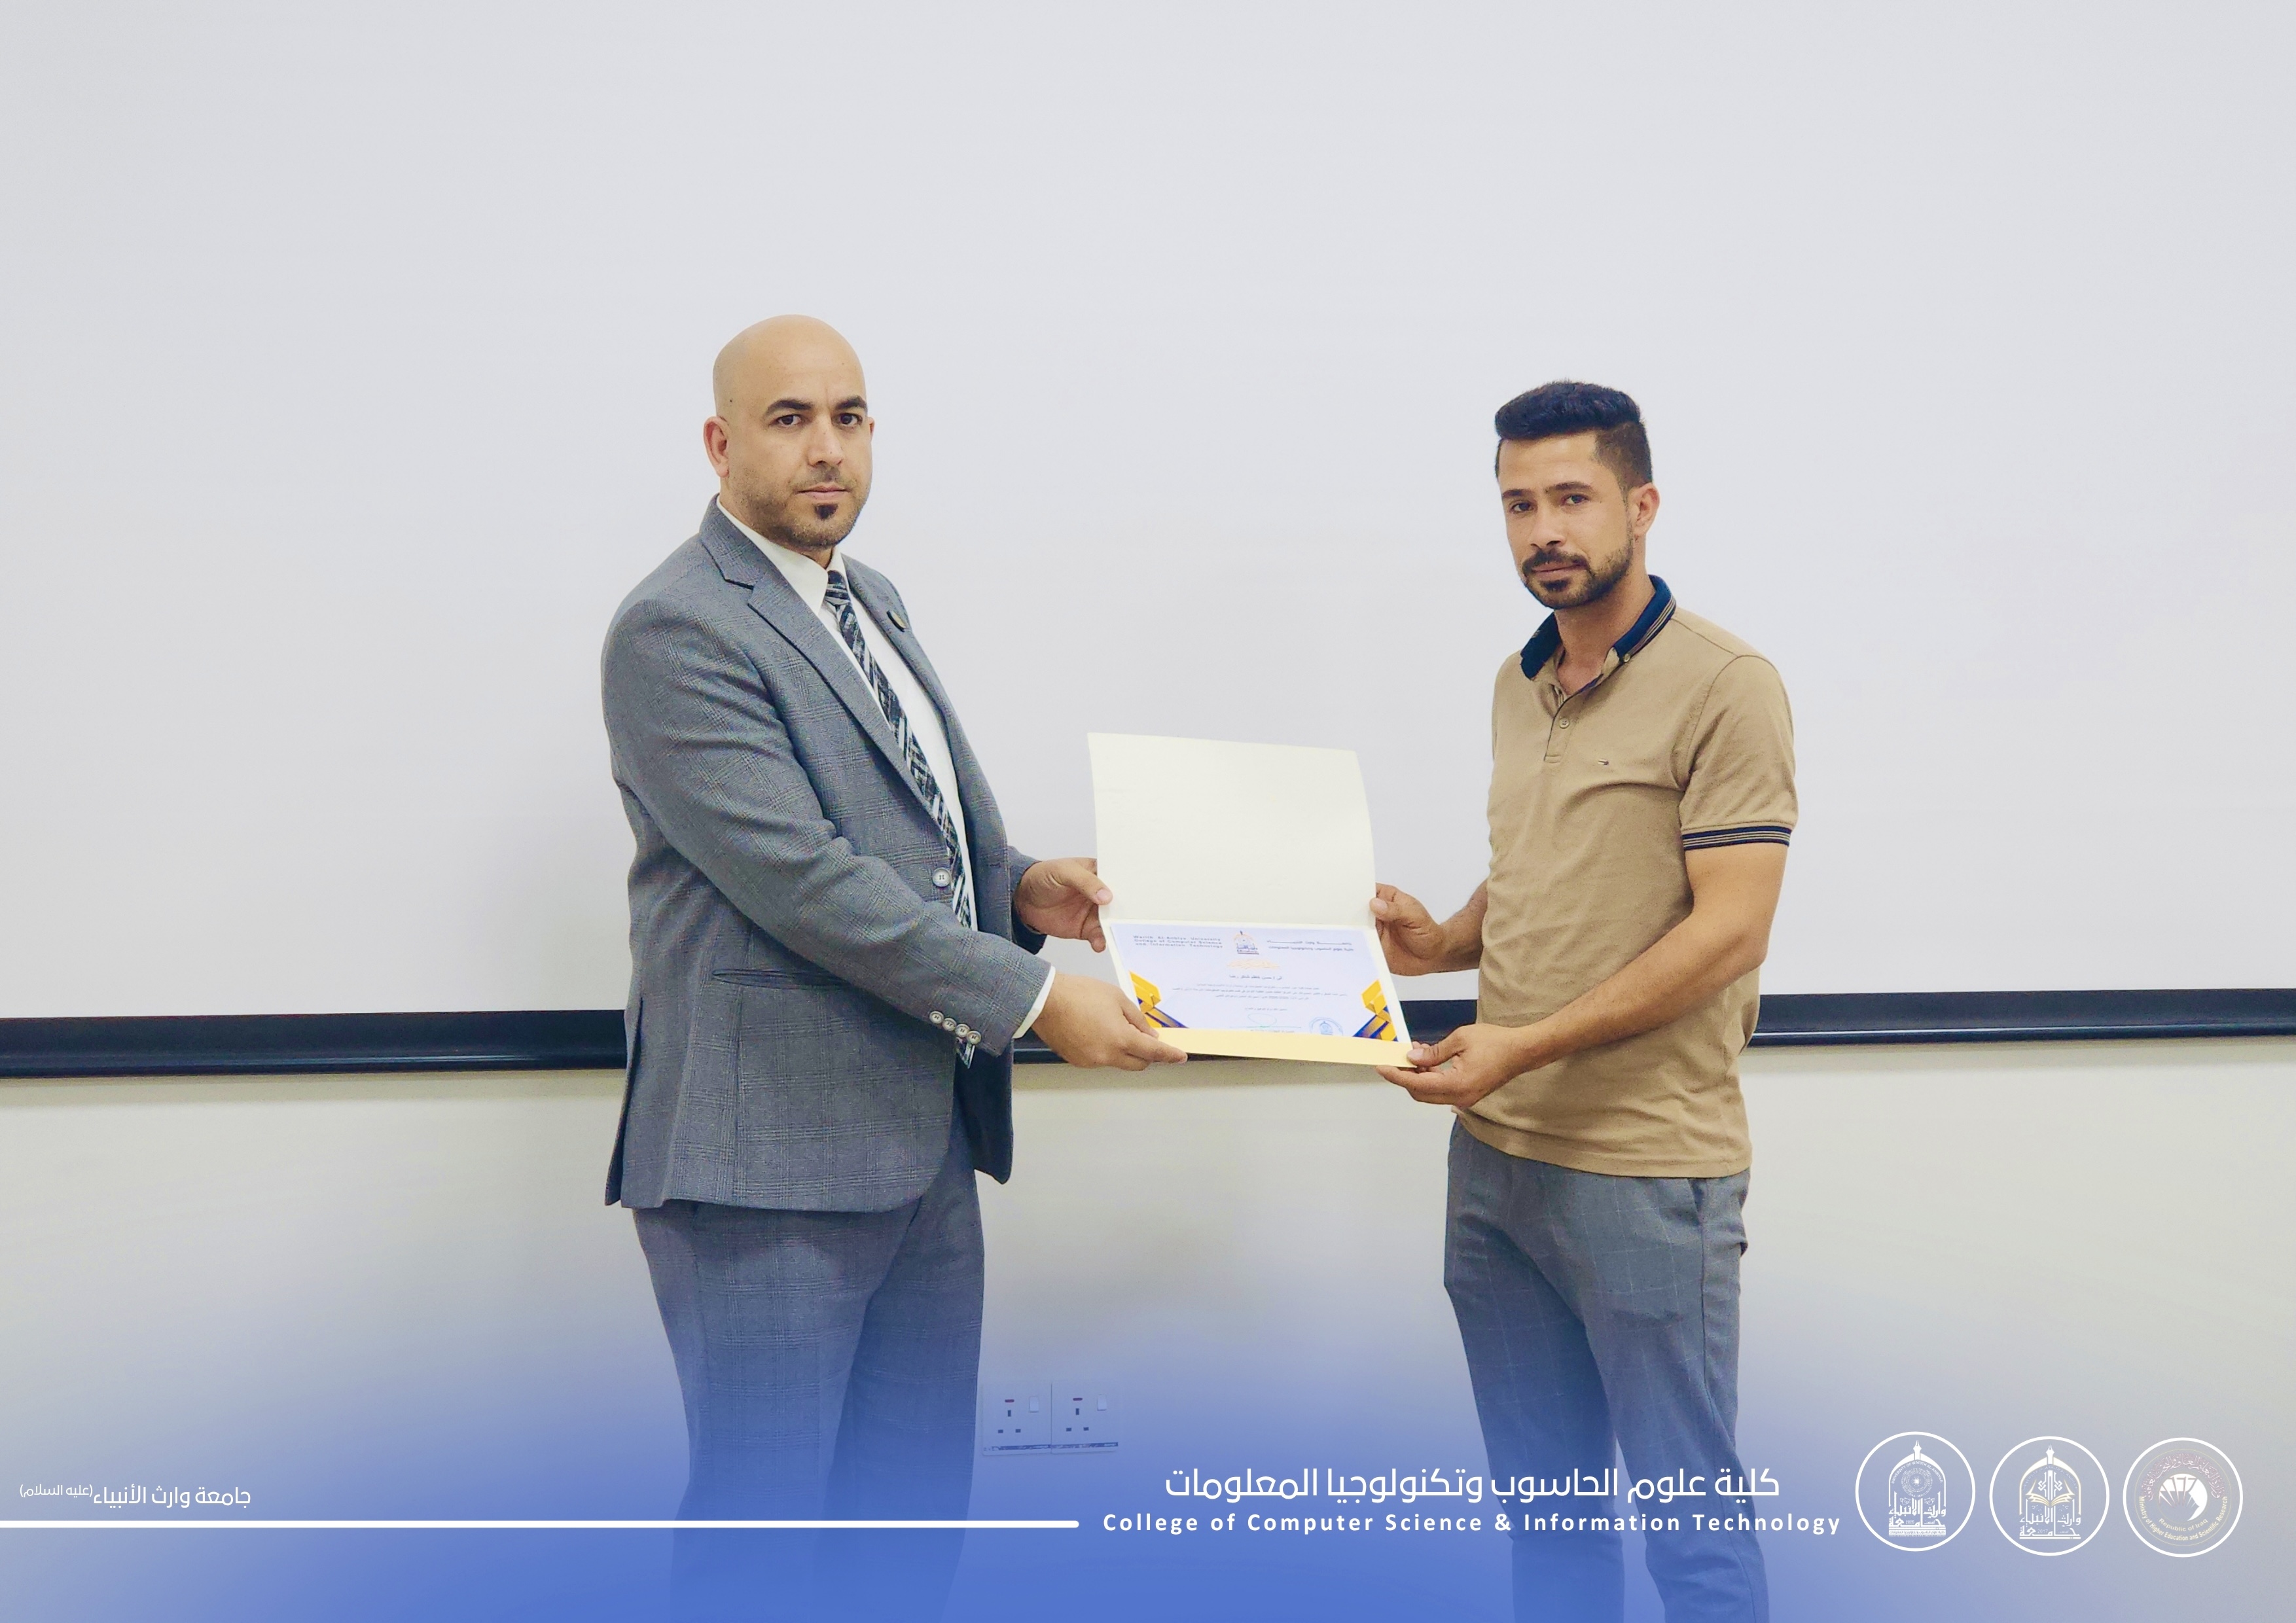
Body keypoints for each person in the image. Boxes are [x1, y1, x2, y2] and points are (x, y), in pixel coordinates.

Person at [599, 315, 1185, 1619]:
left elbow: (912, 828)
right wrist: (1038, 999)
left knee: (907, 1542)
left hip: (920, 1151)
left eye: (849, 417)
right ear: (719, 443)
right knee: (759, 1554)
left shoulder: (869, 599)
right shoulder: (676, 627)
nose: (827, 449)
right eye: (789, 419)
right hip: (766, 1173)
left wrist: (1019, 887)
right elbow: (807, 880)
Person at [1371, 382, 1793, 1622]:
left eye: (1572, 498)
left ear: (1642, 505)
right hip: (1494, 1167)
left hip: (1644, 1172)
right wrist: (1442, 942)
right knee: (1549, 1532)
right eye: (1519, 505)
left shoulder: (1728, 683)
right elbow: (1545, 862)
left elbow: (1731, 929)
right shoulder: (1521, 679)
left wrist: (1523, 1045)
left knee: (1693, 1543)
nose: (1544, 530)